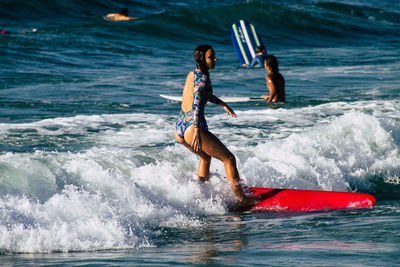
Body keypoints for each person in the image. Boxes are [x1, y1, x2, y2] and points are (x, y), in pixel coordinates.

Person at [174, 44, 260, 206]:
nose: (215, 59)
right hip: (193, 126)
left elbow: (204, 95)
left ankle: (202, 193)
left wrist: (222, 104)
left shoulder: (193, 74)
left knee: (205, 157)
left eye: (214, 56)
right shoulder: (203, 80)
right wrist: (198, 131)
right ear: (202, 59)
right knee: (229, 159)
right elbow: (197, 105)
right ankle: (242, 199)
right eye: (210, 57)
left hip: (180, 127)